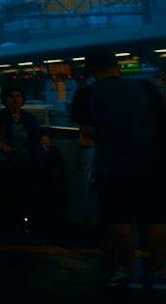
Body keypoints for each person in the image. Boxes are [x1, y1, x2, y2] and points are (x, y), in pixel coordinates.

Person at [70, 48, 166, 288]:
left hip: (111, 166)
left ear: (90, 70)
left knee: (120, 219)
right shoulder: (146, 87)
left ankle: (127, 271)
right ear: (118, 66)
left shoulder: (85, 94)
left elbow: (87, 132)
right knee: (156, 218)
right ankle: (158, 272)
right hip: (152, 164)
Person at [0, 85, 50, 237]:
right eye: (12, 96)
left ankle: (23, 224)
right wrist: (3, 147)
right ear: (5, 99)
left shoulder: (28, 117)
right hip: (5, 162)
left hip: (26, 160)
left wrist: (43, 139)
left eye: (18, 96)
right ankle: (9, 225)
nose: (15, 99)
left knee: (25, 194)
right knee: (8, 194)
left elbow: (36, 134)